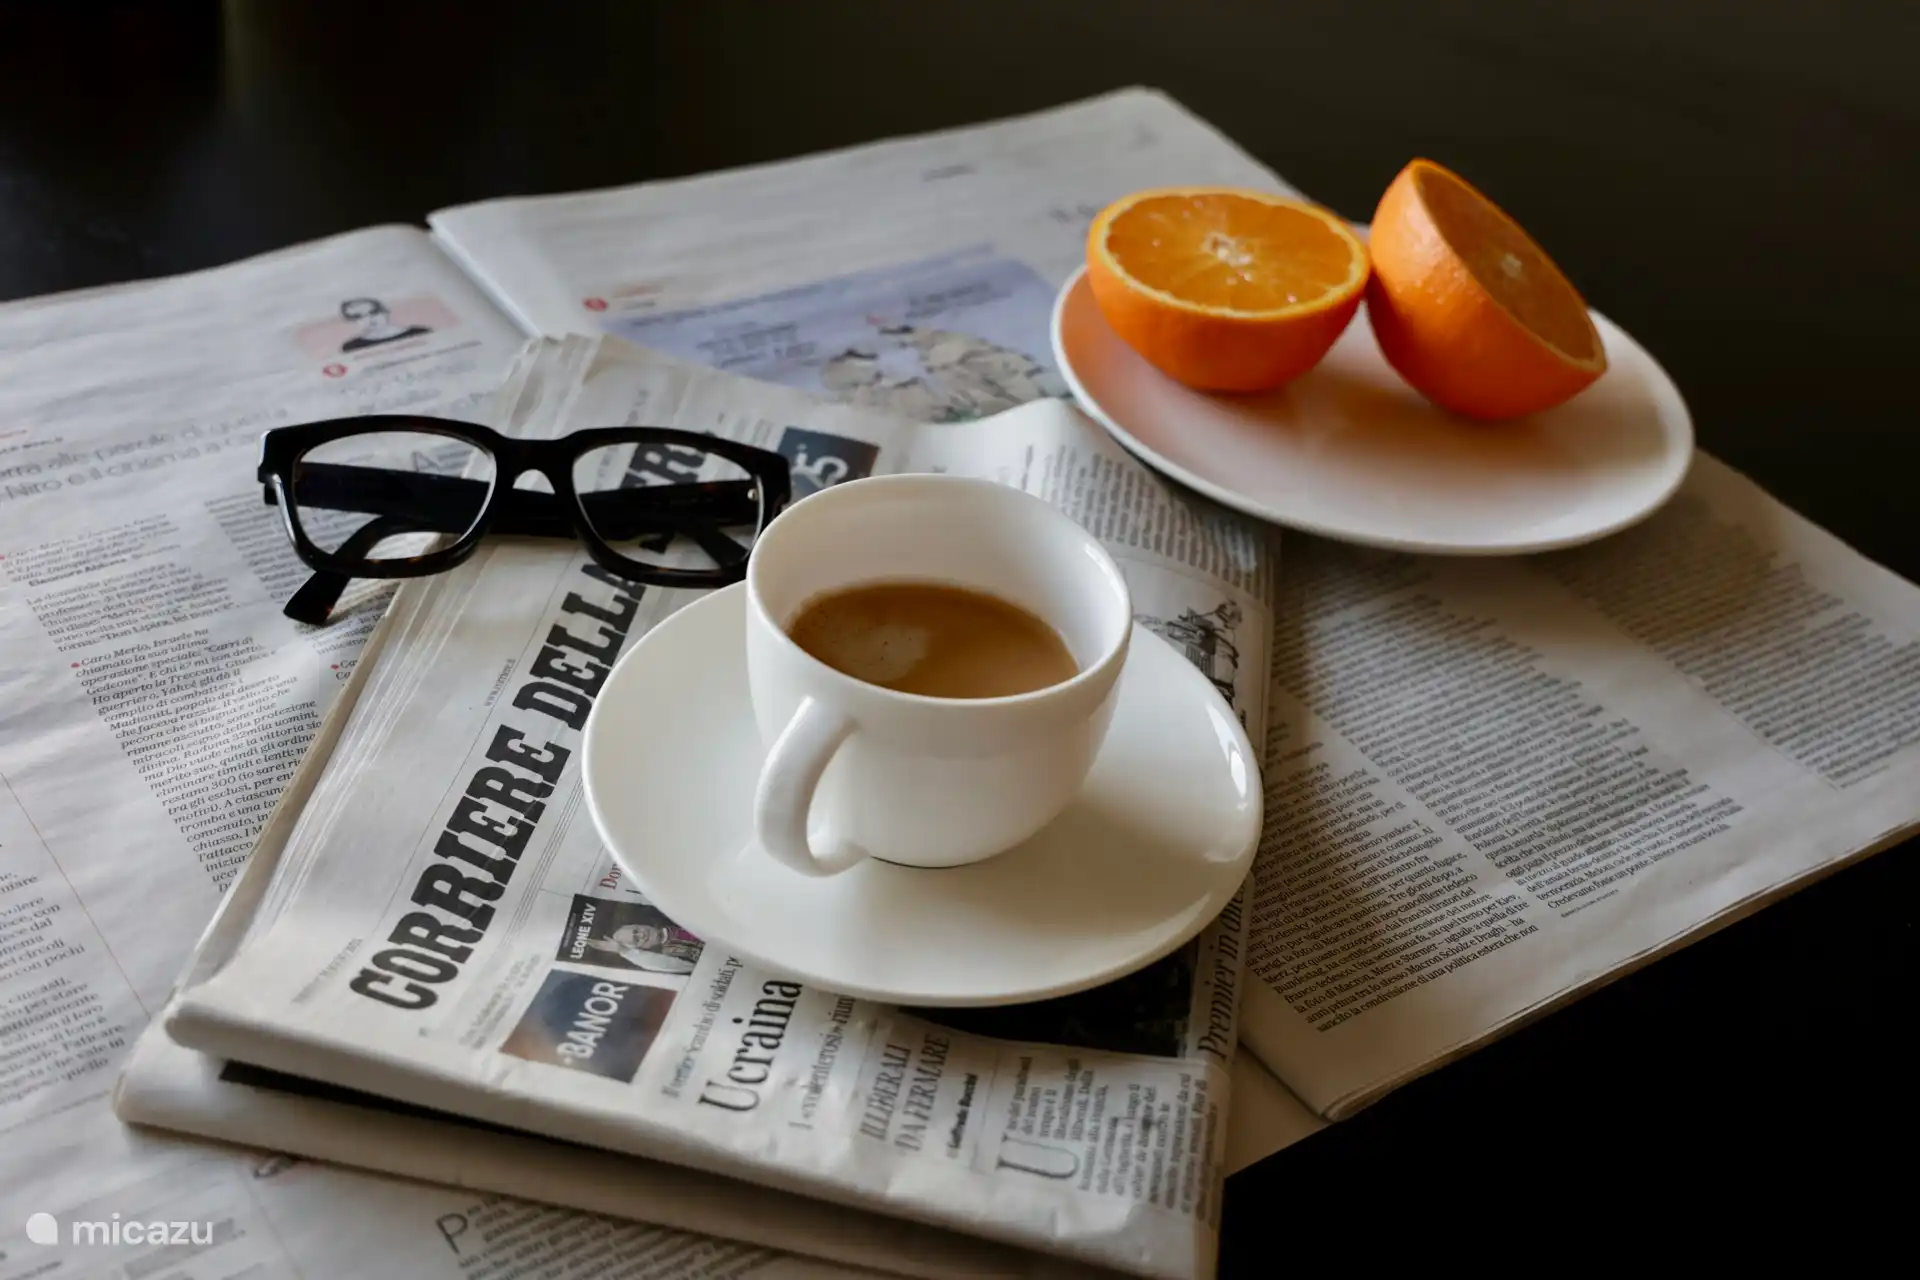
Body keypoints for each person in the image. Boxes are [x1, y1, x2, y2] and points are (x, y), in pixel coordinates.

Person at [581, 921, 703, 975]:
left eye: (636, 930)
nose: (642, 934)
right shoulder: (670, 953)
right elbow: (657, 963)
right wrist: (624, 951)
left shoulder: (671, 918)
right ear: (642, 948)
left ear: (640, 925)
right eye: (636, 939)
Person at [338, 296, 431, 352]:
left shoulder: (420, 332)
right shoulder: (351, 347)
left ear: (385, 311)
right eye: (359, 316)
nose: (369, 319)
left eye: (373, 312)